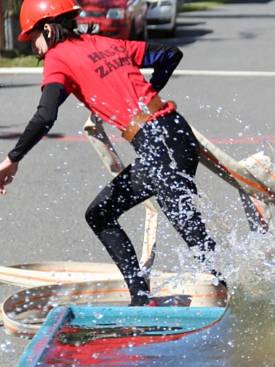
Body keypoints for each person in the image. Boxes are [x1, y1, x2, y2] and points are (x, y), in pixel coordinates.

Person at [0, 0, 220, 306]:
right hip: (174, 132)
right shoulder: (102, 42)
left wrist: (12, 159)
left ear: (48, 29)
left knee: (186, 225)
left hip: (157, 142)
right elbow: (170, 54)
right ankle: (141, 299)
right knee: (104, 215)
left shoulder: (57, 57)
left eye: (32, 36)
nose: (31, 46)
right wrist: (147, 100)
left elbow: (45, 116)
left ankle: (223, 292)